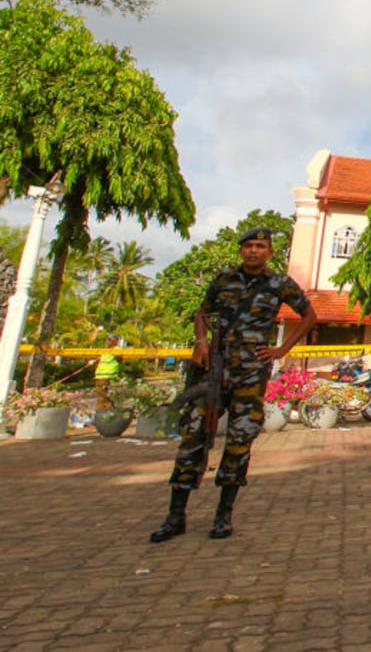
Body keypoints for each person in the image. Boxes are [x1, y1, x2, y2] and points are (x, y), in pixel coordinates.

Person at [149, 227, 318, 543]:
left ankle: (223, 516)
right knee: (193, 437)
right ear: (241, 250)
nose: (254, 251)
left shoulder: (279, 283)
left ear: (269, 252)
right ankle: (175, 516)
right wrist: (201, 341)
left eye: (260, 246)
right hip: (214, 367)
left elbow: (309, 315)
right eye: (249, 246)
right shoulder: (224, 279)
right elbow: (203, 312)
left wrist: (282, 350)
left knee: (240, 440)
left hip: (250, 372)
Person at [95, 335, 121, 408]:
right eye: (108, 340)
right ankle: (103, 412)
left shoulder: (116, 349)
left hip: (107, 375)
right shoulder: (105, 350)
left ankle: (108, 411)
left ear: (115, 342)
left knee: (104, 396)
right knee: (101, 396)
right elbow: (99, 360)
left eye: (110, 340)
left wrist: (115, 354)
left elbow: (120, 359)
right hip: (100, 375)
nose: (108, 342)